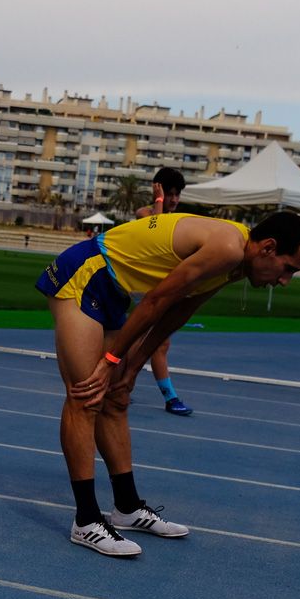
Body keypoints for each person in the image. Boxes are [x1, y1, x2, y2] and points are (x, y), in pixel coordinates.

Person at [35, 209, 300, 557]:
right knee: (86, 396)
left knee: (117, 399)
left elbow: (181, 309)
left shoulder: (237, 261)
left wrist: (133, 367)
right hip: (86, 272)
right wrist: (111, 362)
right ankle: (87, 520)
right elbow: (156, 300)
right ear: (269, 248)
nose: (285, 281)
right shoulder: (228, 247)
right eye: (289, 269)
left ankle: (126, 507)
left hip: (114, 289)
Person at [135, 168, 192, 416]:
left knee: (144, 344)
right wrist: (158, 202)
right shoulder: (145, 214)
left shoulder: (178, 220)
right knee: (154, 344)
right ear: (158, 190)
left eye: (177, 195)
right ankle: (170, 397)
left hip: (163, 291)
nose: (174, 200)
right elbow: (154, 235)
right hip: (141, 290)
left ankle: (116, 386)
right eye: (169, 194)